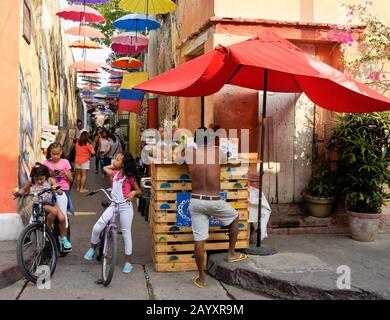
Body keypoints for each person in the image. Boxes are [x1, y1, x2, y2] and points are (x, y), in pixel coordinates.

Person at [186, 127, 247, 288]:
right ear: (211, 139)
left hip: (196, 201)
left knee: (199, 240)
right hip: (214, 200)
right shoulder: (218, 152)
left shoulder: (189, 153)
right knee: (234, 217)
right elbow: (230, 158)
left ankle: (201, 278)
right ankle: (231, 253)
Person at [84, 152, 142, 274]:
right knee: (97, 227)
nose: (114, 161)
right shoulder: (115, 174)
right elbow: (105, 168)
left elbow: (139, 191)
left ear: (124, 164)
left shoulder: (129, 177)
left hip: (125, 206)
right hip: (113, 205)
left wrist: (133, 193)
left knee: (126, 233)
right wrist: (116, 166)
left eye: (117, 160)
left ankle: (128, 262)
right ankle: (92, 248)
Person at [13, 163, 72, 250]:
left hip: (51, 203)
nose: (39, 181)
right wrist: (18, 193)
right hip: (39, 204)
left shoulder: (50, 180)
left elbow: (59, 191)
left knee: (62, 218)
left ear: (46, 176)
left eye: (41, 179)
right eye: (37, 179)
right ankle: (43, 231)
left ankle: (63, 238)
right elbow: (23, 190)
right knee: (51, 213)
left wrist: (57, 189)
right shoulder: (31, 182)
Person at [44, 143, 75, 216]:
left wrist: (65, 173)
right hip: (51, 188)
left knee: (64, 210)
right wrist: (51, 175)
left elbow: (71, 179)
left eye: (57, 154)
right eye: (53, 154)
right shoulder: (46, 163)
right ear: (49, 153)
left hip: (64, 188)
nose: (55, 156)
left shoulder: (65, 162)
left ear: (61, 152)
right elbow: (43, 178)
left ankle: (66, 224)